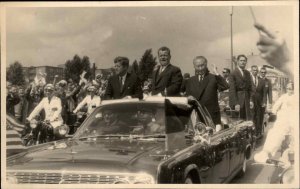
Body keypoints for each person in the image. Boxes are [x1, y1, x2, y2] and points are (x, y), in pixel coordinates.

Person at [254, 82, 295, 163]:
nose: (288, 90)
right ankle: (269, 153)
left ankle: (291, 159)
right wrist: (274, 112)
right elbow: (276, 106)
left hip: (293, 122)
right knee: (276, 136)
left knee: (291, 141)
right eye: (287, 88)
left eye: (290, 89)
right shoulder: (284, 97)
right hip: (283, 121)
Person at [185, 56, 229, 125]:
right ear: (194, 66)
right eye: (198, 66)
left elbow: (225, 86)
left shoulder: (213, 77)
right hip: (197, 116)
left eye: (202, 65)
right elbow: (187, 95)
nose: (200, 68)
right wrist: (188, 97)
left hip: (211, 115)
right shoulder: (190, 80)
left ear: (206, 64)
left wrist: (216, 73)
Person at [228, 54, 254, 120]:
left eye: (244, 61)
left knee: (247, 121)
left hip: (247, 101)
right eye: (241, 60)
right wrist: (236, 103)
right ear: (237, 61)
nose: (243, 62)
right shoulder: (233, 73)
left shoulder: (248, 73)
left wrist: (251, 100)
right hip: (238, 102)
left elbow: (250, 88)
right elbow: (232, 90)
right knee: (239, 122)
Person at [250, 65, 266, 137]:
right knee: (252, 117)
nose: (255, 71)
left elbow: (264, 93)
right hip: (251, 102)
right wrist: (250, 100)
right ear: (251, 71)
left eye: (256, 70)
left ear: (258, 71)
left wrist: (264, 102)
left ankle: (258, 132)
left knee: (259, 117)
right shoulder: (248, 80)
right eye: (253, 70)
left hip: (259, 102)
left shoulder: (261, 80)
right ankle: (253, 132)